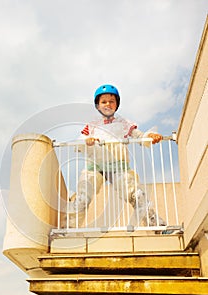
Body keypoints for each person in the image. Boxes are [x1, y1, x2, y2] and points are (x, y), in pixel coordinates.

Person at [67, 84, 166, 230]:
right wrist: (86, 141)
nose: (108, 104)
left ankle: (155, 223)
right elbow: (79, 142)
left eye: (111, 101)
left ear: (116, 104)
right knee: (82, 197)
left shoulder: (124, 123)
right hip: (95, 166)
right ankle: (68, 229)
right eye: (104, 101)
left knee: (136, 194)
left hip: (118, 166)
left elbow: (139, 136)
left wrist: (149, 136)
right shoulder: (92, 125)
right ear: (98, 106)